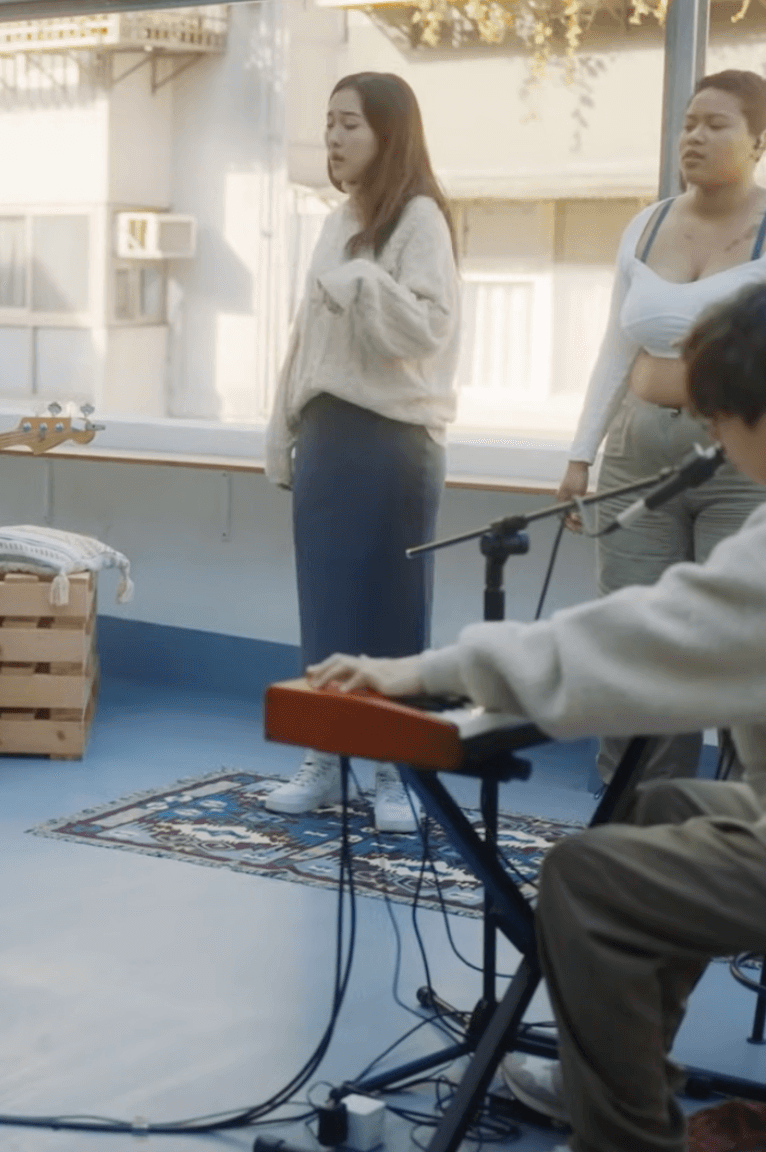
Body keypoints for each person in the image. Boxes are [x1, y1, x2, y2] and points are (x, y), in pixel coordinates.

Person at [308, 283, 766, 1152]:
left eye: (721, 421)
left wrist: (422, 668)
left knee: (585, 880)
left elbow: (632, 641)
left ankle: (624, 1138)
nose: (713, 443)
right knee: (665, 807)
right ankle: (613, 1075)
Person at [555, 70, 766, 785]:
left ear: (761, 140)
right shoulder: (645, 224)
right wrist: (580, 454)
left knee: (742, 643)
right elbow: (616, 348)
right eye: (689, 122)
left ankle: (745, 817)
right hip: (638, 454)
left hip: (747, 463)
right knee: (635, 637)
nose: (693, 136)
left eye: (716, 125)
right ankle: (634, 808)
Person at [263, 72, 462, 834]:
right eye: (329, 121)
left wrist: (362, 282)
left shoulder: (420, 218)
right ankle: (325, 756)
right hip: (328, 434)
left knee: (393, 609)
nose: (334, 136)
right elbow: (306, 336)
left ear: (389, 132)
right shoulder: (338, 218)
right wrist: (283, 426)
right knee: (326, 606)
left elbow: (428, 329)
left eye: (350, 123)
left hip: (395, 438)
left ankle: (392, 771)